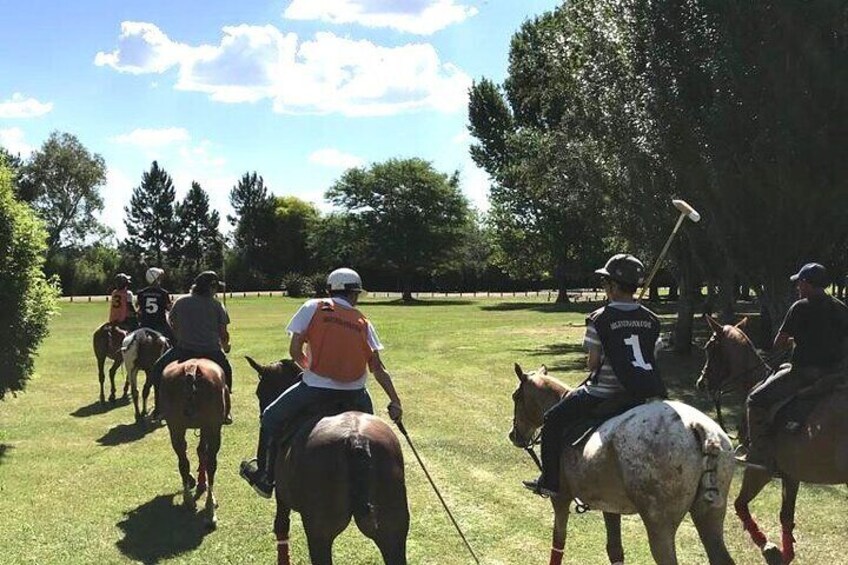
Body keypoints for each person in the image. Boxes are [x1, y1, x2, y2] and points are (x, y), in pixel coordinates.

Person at [239, 267, 403, 498]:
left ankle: (266, 477)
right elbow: (378, 368)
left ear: (329, 290)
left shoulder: (313, 307)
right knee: (370, 437)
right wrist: (395, 401)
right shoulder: (363, 322)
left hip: (315, 389)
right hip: (356, 394)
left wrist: (310, 368)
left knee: (270, 417)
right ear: (354, 294)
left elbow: (294, 350)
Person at [523, 253, 666, 497]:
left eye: (605, 283)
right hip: (641, 395)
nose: (604, 287)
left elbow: (592, 365)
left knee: (553, 421)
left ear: (612, 286)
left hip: (603, 393)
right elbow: (652, 355)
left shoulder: (600, 318)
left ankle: (549, 481)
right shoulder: (651, 319)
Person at [737, 262, 848, 472]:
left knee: (755, 399)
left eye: (799, 283)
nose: (797, 287)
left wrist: (793, 342)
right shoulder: (840, 307)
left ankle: (759, 452)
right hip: (835, 375)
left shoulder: (800, 307)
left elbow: (779, 342)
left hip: (804, 374)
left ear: (806, 284)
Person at [149, 271, 234, 423]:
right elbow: (223, 334)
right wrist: (226, 347)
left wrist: (178, 336)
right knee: (227, 372)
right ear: (211, 287)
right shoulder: (217, 305)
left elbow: (172, 323)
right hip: (211, 351)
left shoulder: (181, 302)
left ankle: (160, 408)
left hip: (183, 350)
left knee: (157, 370)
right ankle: (226, 411)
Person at [135, 267, 174, 342]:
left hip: (144, 324)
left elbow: (138, 309)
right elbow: (170, 309)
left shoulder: (141, 293)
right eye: (159, 277)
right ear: (156, 279)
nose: (161, 279)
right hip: (160, 324)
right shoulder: (163, 293)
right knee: (174, 339)